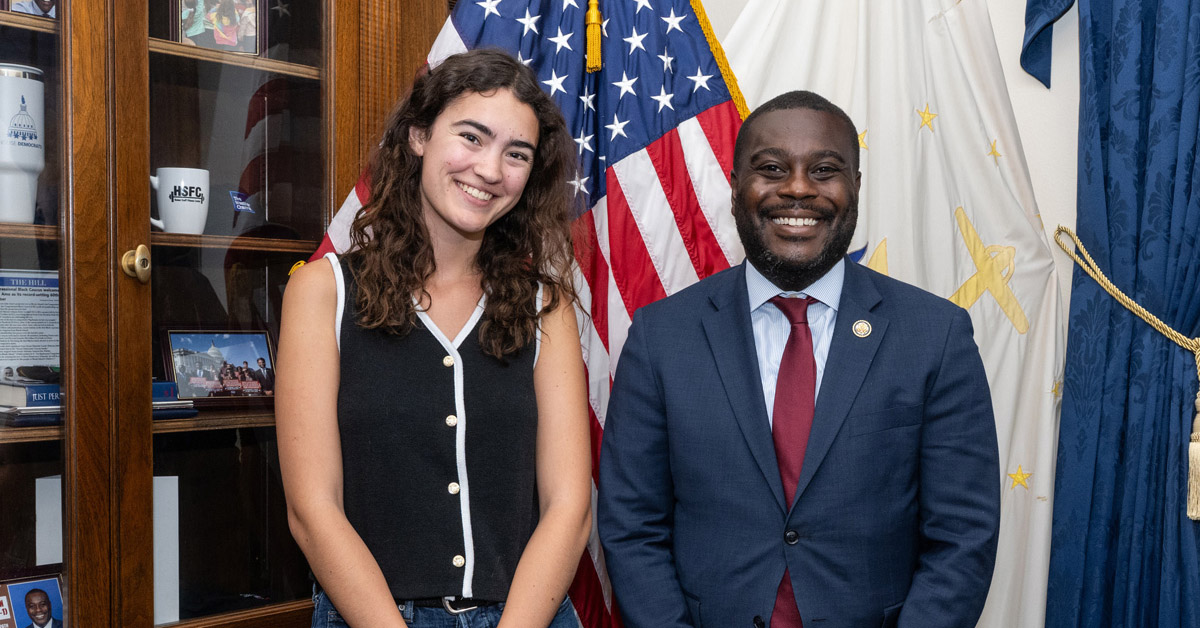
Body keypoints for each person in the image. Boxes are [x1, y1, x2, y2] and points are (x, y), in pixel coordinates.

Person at [597, 90, 1000, 628]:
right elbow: (632, 526)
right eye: (771, 168)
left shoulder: (936, 335)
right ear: (736, 188)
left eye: (825, 170)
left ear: (855, 187)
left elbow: (963, 535)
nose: (798, 189)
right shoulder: (661, 336)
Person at [276, 49, 590, 628]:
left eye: (515, 154)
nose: (490, 170)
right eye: (471, 137)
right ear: (419, 136)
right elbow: (311, 510)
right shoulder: (322, 293)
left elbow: (569, 508)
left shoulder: (549, 306)